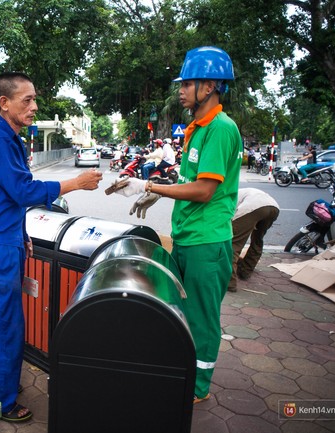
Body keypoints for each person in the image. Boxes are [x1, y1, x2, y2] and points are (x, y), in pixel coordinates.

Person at [0, 72, 102, 423]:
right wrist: (75, 183)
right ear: (4, 103)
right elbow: (23, 192)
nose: (34, 106)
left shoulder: (5, 138)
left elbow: (4, 198)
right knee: (5, 326)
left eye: (34, 99)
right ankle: (1, 401)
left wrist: (21, 234)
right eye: (26, 100)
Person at [110, 46, 241, 404]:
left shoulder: (219, 129)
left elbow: (203, 190)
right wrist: (162, 194)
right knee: (182, 311)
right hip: (188, 236)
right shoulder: (197, 129)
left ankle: (198, 388)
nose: (181, 90)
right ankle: (183, 370)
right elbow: (189, 181)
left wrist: (151, 186)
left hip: (206, 241)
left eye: (188, 83)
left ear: (210, 86)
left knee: (201, 317)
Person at [229, 188, 279, 292]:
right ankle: (245, 271)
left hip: (252, 208)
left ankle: (230, 283)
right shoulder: (243, 191)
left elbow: (229, 217)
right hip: (273, 208)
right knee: (257, 240)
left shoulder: (230, 196)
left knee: (234, 245)